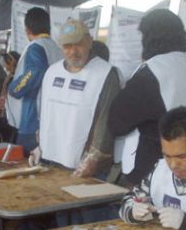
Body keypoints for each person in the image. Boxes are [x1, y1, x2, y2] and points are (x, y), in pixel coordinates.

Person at [109, 9, 186, 187]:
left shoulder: (150, 72)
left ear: (149, 37)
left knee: (143, 212)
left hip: (149, 165)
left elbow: (116, 123)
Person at [33, 19, 120, 182]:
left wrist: (95, 157)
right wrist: (40, 144)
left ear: (89, 41)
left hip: (86, 166)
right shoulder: (52, 72)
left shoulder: (105, 74)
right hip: (51, 160)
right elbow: (46, 113)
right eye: (67, 46)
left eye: (78, 44)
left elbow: (106, 118)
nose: (73, 51)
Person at [6, 7, 63, 155]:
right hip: (50, 112)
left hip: (33, 114)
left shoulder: (35, 47)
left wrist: (13, 89)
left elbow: (35, 72)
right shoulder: (56, 48)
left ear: (28, 29)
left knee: (24, 162)